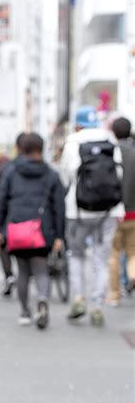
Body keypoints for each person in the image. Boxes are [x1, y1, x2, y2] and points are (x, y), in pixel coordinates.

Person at [60, 105, 124, 326]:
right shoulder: (110, 141)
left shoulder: (72, 142)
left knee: (76, 255)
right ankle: (97, 304)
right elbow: (118, 174)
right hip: (109, 210)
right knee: (101, 257)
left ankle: (79, 298)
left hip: (78, 210)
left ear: (78, 124)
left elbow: (66, 178)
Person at [0, 132, 65, 329]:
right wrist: (60, 235)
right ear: (41, 149)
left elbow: (2, 200)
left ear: (22, 149)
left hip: (16, 229)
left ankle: (25, 311)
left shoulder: (11, 171)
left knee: (23, 272)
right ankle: (42, 300)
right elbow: (59, 206)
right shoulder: (51, 174)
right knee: (41, 270)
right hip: (42, 230)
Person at [108, 116, 135, 303]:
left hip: (114, 212)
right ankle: (133, 276)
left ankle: (114, 294)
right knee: (133, 251)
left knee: (114, 254)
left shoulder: (109, 153)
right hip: (134, 212)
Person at [0, 133, 27, 296]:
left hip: (12, 219)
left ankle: (9, 276)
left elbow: (0, 194)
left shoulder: (8, 168)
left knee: (4, 247)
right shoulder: (46, 168)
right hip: (36, 223)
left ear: (17, 147)